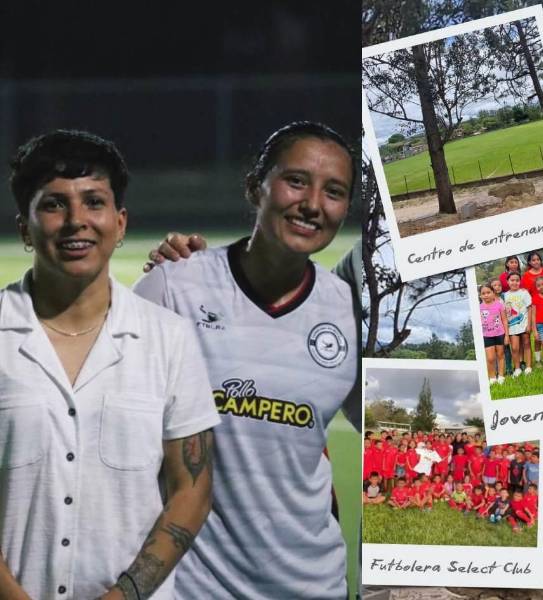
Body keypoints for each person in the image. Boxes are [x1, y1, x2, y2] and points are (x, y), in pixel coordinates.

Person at [134, 122, 359, 599]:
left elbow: (392, 429)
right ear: (256, 186)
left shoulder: (349, 311)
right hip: (192, 589)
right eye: (295, 180)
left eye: (333, 191)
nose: (313, 203)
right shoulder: (174, 287)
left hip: (312, 586)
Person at [0, 130, 220, 599]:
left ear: (120, 224)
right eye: (54, 204)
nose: (76, 221)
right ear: (25, 228)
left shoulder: (168, 338)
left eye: (94, 202)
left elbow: (192, 490)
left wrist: (125, 595)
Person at [504, 273, 533, 376]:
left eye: (517, 280)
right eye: (512, 280)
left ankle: (529, 366)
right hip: (512, 325)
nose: (514, 282)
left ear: (520, 282)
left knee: (526, 344)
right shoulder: (505, 295)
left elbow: (530, 308)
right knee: (515, 347)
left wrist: (529, 324)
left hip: (524, 323)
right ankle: (517, 368)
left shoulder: (524, 293)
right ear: (508, 282)